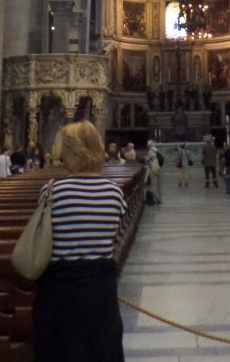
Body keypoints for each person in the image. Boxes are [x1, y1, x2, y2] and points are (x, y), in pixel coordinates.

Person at [34, 121, 127, 361]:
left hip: (60, 288)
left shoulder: (52, 191)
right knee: (101, 349)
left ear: (69, 151)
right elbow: (113, 234)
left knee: (61, 350)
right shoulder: (114, 192)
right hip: (100, 290)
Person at [144, 140, 163, 205]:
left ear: (149, 146)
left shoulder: (150, 151)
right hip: (159, 168)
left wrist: (146, 160)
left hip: (153, 169)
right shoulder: (157, 150)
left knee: (153, 184)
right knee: (159, 184)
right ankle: (160, 198)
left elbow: (150, 161)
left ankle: (157, 198)